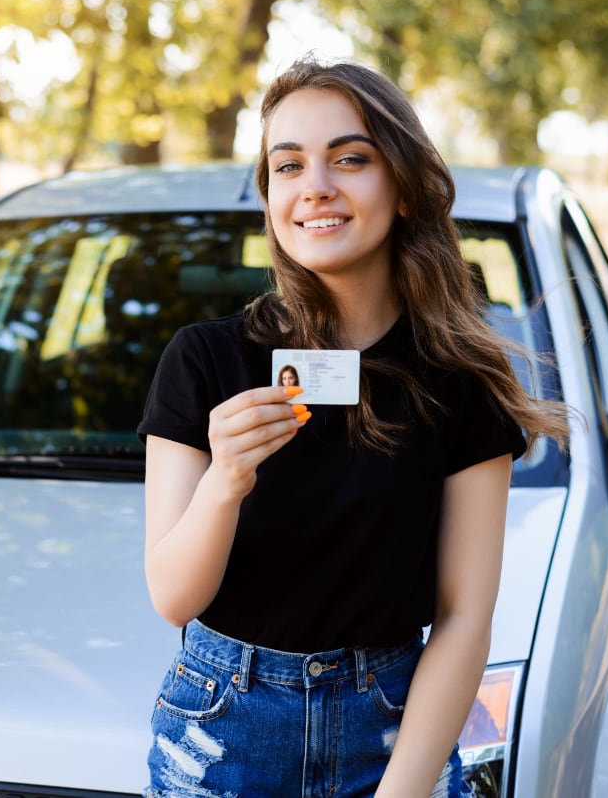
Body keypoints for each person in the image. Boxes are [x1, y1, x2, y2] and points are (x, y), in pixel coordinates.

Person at [137, 57, 568, 798]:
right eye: (289, 165)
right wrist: (225, 482)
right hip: (221, 729)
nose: (316, 186)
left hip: (396, 730)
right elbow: (174, 597)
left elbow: (466, 617)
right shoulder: (204, 358)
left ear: (401, 185)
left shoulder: (459, 379)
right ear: (270, 195)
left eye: (350, 158)